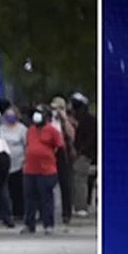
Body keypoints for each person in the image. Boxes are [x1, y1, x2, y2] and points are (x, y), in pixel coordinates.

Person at [23, 105, 65, 235]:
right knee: (30, 198)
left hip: (47, 171)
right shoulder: (30, 130)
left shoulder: (52, 131)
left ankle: (48, 224)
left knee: (46, 198)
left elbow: (60, 148)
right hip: (30, 170)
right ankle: (29, 224)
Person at [0, 104, 28, 222]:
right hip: (4, 164)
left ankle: (19, 212)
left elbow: (26, 145)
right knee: (4, 189)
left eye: (12, 115)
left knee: (18, 189)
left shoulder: (22, 129)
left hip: (19, 162)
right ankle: (4, 212)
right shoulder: (1, 129)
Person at [50, 96, 77, 226]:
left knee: (65, 183)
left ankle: (67, 213)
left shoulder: (68, 121)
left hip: (63, 153)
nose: (56, 111)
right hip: (49, 153)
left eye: (59, 108)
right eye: (54, 108)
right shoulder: (48, 120)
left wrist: (63, 118)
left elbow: (71, 134)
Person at [70, 93, 96, 218]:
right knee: (80, 179)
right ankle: (80, 205)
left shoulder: (88, 120)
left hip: (85, 154)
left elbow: (90, 139)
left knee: (80, 180)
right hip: (84, 153)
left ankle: (81, 207)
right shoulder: (83, 119)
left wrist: (80, 150)